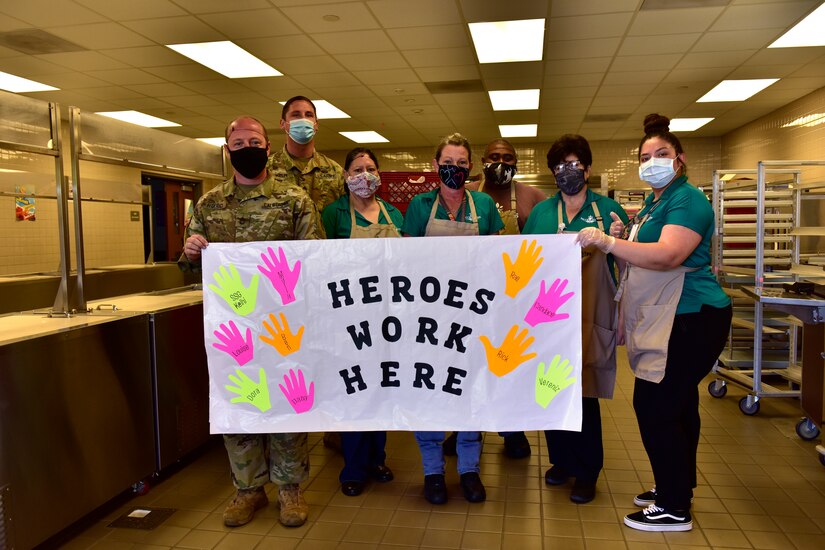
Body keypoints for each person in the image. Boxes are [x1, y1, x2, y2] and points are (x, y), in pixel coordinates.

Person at [576, 114, 732, 531]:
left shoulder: (689, 200)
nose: (652, 162)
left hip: (692, 316)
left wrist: (611, 243)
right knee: (680, 405)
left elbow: (667, 256)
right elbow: (645, 246)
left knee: (655, 406)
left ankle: (674, 507)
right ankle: (675, 486)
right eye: (645, 157)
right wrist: (623, 231)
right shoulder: (656, 200)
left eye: (661, 154)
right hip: (670, 314)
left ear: (679, 159)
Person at [179, 116, 323, 528]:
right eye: (238, 143)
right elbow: (188, 268)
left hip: (283, 324)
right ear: (228, 150)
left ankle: (290, 488)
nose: (246, 148)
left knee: (285, 400)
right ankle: (248, 489)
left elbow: (314, 262)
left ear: (267, 145)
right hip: (232, 327)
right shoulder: (208, 204)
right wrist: (190, 253)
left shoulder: (295, 199)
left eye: (254, 141)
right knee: (239, 401)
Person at [521, 134, 629, 504]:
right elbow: (526, 262)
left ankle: (587, 471)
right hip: (549, 314)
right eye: (560, 166)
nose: (568, 172)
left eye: (574, 164)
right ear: (553, 173)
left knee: (584, 392)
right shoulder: (541, 213)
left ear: (588, 168)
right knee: (550, 388)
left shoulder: (608, 210)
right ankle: (561, 462)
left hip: (591, 311)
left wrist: (615, 239)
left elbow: (627, 264)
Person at [401, 132, 504, 505]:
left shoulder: (485, 206)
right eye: (448, 163)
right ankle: (432, 471)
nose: (454, 170)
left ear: (471, 167)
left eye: (462, 164)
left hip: (473, 315)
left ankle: (469, 469)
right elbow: (404, 264)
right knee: (427, 393)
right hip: (427, 318)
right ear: (435, 165)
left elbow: (499, 260)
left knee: (471, 391)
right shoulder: (419, 205)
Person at [320, 147, 402, 496]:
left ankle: (376, 459)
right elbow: (319, 263)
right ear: (345, 176)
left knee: (382, 389)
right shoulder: (333, 213)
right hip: (348, 317)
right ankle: (352, 468)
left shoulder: (394, 213)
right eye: (357, 169)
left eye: (370, 168)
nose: (364, 174)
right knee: (353, 391)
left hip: (387, 316)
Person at [464, 138, 547, 460]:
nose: (501, 162)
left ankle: (513, 429)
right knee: (470, 365)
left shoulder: (533, 197)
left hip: (513, 300)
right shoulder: (468, 193)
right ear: (483, 160)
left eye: (507, 157)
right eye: (494, 156)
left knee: (510, 367)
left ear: (516, 163)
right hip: (470, 297)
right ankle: (465, 429)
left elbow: (545, 247)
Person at [268, 95, 345, 213]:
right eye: (296, 115)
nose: (303, 119)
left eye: (309, 115)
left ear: (316, 124)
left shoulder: (335, 171)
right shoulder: (266, 169)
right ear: (282, 123)